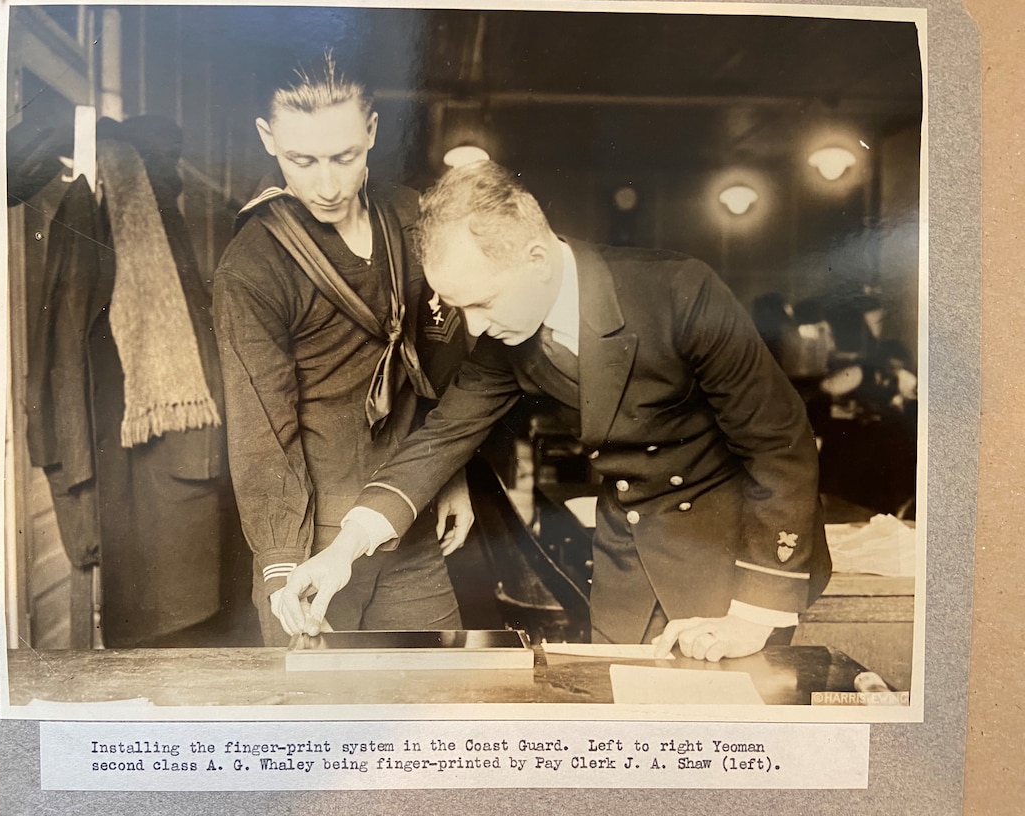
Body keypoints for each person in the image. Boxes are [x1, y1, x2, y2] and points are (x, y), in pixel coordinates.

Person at [271, 161, 833, 661]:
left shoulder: (680, 293)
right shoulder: (506, 335)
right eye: (461, 308)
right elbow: (441, 437)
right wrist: (340, 553)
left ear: (536, 257)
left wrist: (753, 613)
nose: (475, 328)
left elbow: (778, 446)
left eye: (483, 302)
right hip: (628, 550)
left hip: (734, 548)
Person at [212, 55, 473, 645]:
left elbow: (436, 363)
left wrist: (450, 475)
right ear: (267, 138)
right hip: (310, 543)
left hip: (408, 525)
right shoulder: (253, 267)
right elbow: (261, 431)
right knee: (318, 719)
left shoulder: (408, 216)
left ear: (373, 133)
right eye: (301, 161)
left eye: (344, 157)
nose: (326, 186)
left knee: (441, 707)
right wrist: (281, 567)